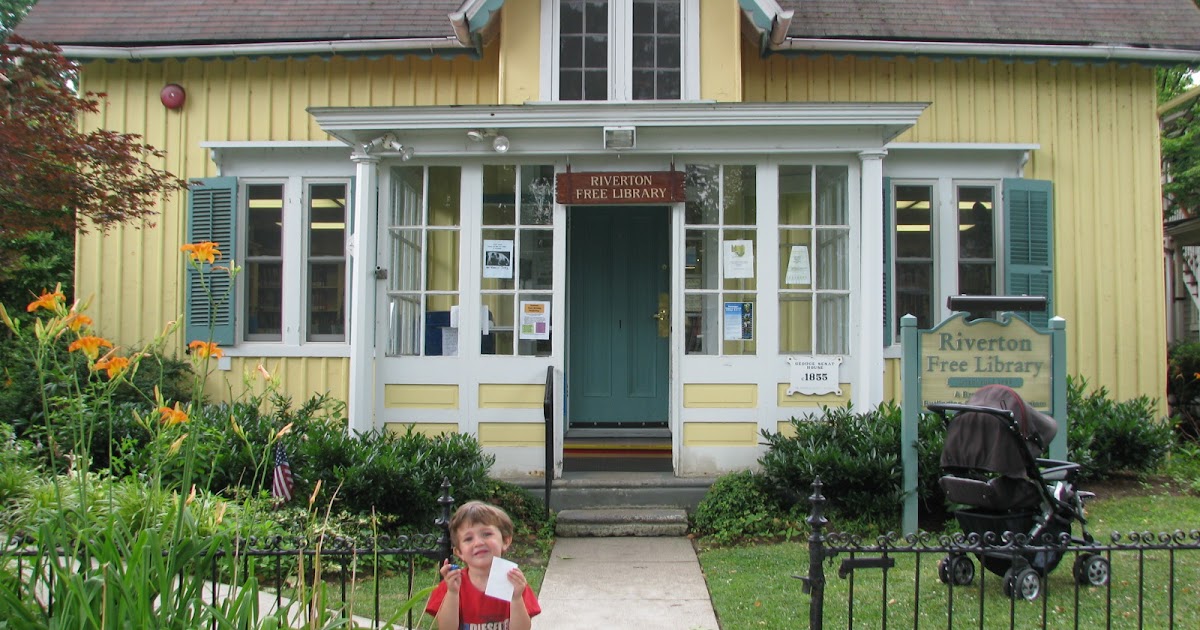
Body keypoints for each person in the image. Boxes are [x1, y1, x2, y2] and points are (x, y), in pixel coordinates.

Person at [425, 500, 541, 630]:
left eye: (487, 534)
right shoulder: (453, 584)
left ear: (505, 541)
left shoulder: (514, 584)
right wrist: (452, 593)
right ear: (459, 552)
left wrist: (516, 598)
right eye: (469, 539)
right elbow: (446, 628)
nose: (478, 542)